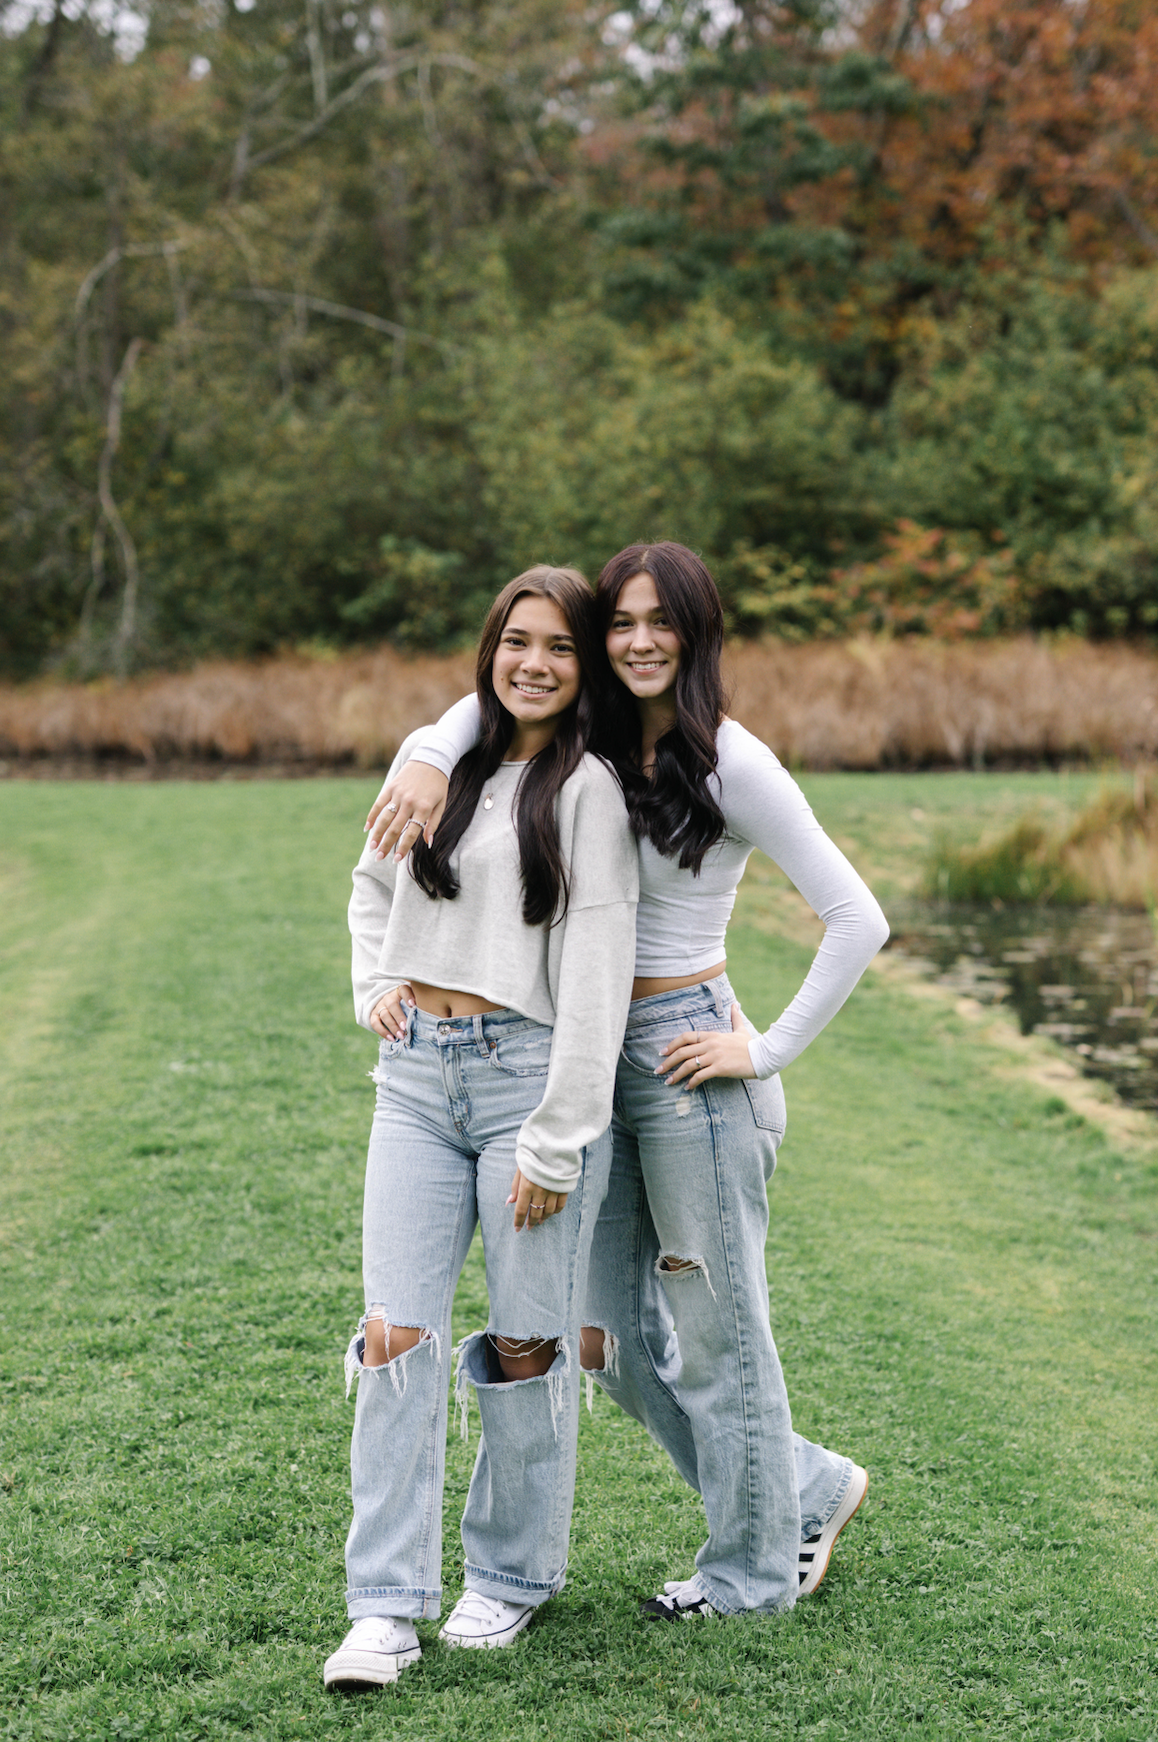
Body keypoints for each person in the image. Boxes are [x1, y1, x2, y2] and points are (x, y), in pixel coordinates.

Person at [366, 541, 889, 1620]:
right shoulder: (596, 738)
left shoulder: (732, 762)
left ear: (697, 636)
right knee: (603, 1340)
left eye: (665, 622)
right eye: (623, 623)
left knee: (716, 1329)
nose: (640, 640)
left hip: (687, 1055)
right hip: (577, 1054)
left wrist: (765, 1046)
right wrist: (426, 745)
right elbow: (498, 691)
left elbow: (857, 916)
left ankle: (749, 1575)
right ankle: (803, 1484)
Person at [324, 566, 637, 1691]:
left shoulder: (591, 788)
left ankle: (509, 1575)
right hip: (414, 1081)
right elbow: (370, 886)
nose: (535, 662)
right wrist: (376, 986)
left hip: (527, 1084)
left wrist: (558, 1138)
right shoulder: (438, 760)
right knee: (393, 1334)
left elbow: (598, 978)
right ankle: (384, 1607)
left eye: (559, 645)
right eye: (517, 640)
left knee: (522, 1343)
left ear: (583, 662)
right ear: (489, 649)